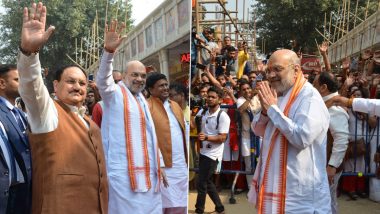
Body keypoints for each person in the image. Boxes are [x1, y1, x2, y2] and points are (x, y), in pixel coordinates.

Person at [17, 2, 108, 214]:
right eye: (71, 81)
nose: (77, 87)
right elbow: (31, 86)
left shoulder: (90, 123)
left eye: (82, 83)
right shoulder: (47, 113)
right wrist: (29, 53)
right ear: (55, 86)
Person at [248, 49, 331, 213]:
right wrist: (266, 111)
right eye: (268, 70)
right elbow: (258, 130)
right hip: (279, 189)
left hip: (301, 198)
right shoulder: (279, 95)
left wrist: (272, 109)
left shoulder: (310, 97)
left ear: (296, 70)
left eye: (277, 69)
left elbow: (301, 138)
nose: (271, 75)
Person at [96, 20, 165, 214]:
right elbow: (102, 81)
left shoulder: (142, 99)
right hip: (123, 177)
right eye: (134, 75)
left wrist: (158, 166)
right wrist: (109, 53)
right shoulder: (114, 94)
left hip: (149, 175)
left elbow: (150, 138)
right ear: (124, 76)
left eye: (143, 76)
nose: (139, 79)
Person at [146, 73, 188, 214]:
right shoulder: (147, 107)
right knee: (164, 205)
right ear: (151, 90)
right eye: (161, 86)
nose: (165, 88)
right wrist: (160, 163)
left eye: (166, 85)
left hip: (180, 165)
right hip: (163, 167)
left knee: (181, 204)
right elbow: (147, 138)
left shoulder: (175, 105)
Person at [313, 72, 349, 213]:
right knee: (327, 200)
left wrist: (332, 166)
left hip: (328, 166)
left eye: (314, 84)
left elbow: (341, 140)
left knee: (325, 201)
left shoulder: (335, 107)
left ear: (323, 87)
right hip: (323, 165)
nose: (312, 87)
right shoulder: (326, 103)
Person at [0, 65, 31, 214]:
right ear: (2, 83)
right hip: (7, 194)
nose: (23, 84)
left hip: (23, 192)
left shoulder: (19, 113)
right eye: (17, 80)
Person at [194, 86, 230, 214]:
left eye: (213, 97)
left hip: (213, 154)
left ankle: (199, 209)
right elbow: (193, 125)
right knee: (207, 182)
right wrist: (195, 118)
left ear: (220, 100)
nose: (209, 99)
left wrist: (207, 137)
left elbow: (222, 137)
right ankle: (219, 207)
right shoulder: (202, 112)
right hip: (202, 151)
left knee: (201, 182)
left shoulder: (223, 116)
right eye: (208, 96)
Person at [236, 80, 261, 187]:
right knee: (249, 164)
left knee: (260, 162)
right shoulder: (240, 100)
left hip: (259, 136)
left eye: (248, 88)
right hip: (246, 137)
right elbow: (241, 110)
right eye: (244, 89)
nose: (247, 91)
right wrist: (250, 98)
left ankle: (260, 186)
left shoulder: (257, 98)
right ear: (240, 91)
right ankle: (251, 188)